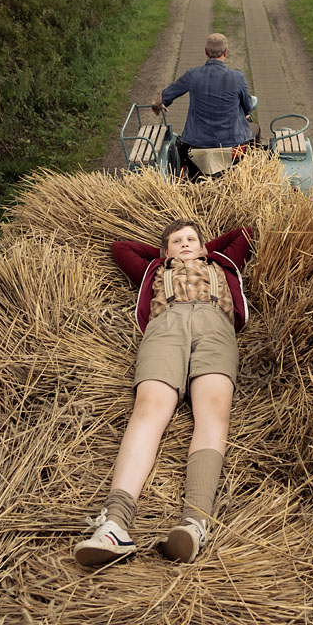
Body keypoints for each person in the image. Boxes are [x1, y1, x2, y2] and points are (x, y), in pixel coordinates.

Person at [74, 218, 252, 567]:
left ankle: (195, 520)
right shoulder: (154, 270)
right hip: (165, 327)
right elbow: (120, 248)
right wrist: (162, 256)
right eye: (176, 241)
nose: (185, 244)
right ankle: (114, 523)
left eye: (191, 239)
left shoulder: (219, 264)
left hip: (215, 327)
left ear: (204, 246)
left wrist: (205, 250)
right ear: (164, 250)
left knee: (213, 412)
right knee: (149, 408)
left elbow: (242, 235)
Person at [151, 33, 260, 176]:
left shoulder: (192, 75)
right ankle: (253, 172)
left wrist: (157, 105)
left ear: (205, 52)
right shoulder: (237, 77)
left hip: (197, 146)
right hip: (232, 146)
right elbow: (248, 107)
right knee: (255, 129)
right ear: (226, 52)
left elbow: (162, 98)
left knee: (183, 141)